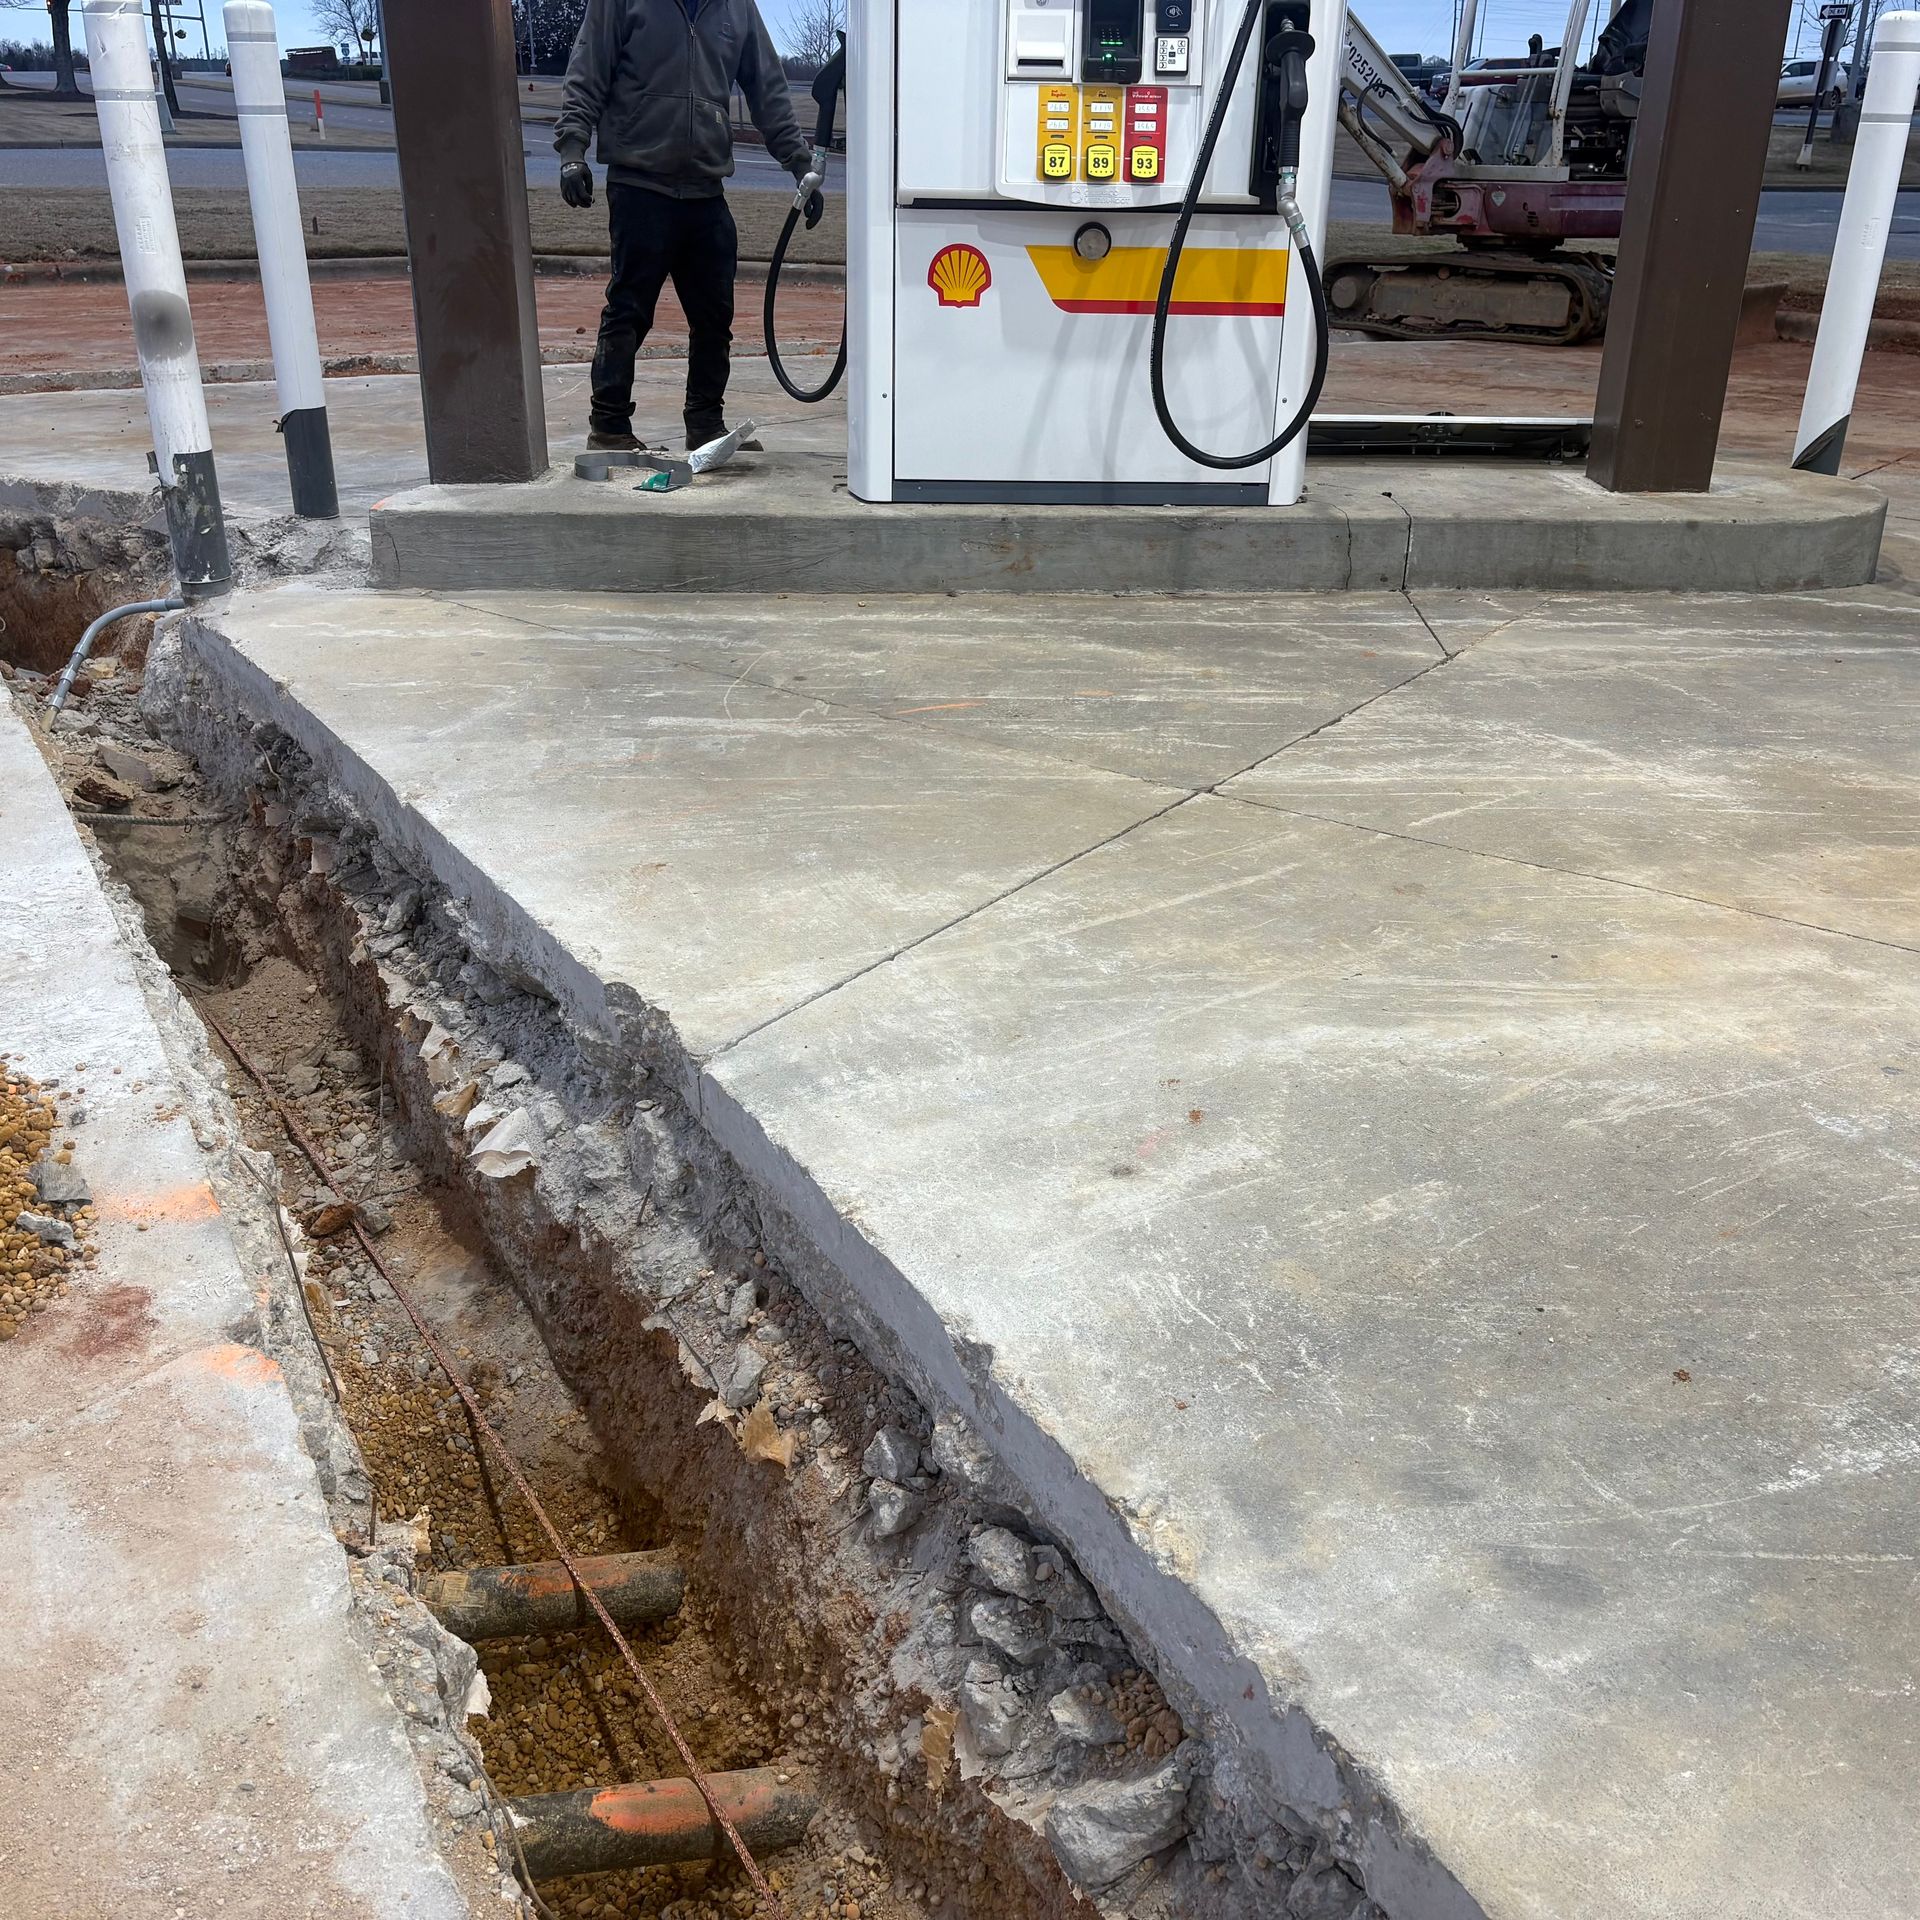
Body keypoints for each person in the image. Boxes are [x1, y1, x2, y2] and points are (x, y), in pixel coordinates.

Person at [554, 0, 824, 453]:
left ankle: (705, 424)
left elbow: (768, 89)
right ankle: (610, 427)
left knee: (715, 317)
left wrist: (800, 165)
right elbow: (588, 69)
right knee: (629, 309)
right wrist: (572, 151)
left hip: (705, 187)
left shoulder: (736, 8)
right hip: (640, 182)